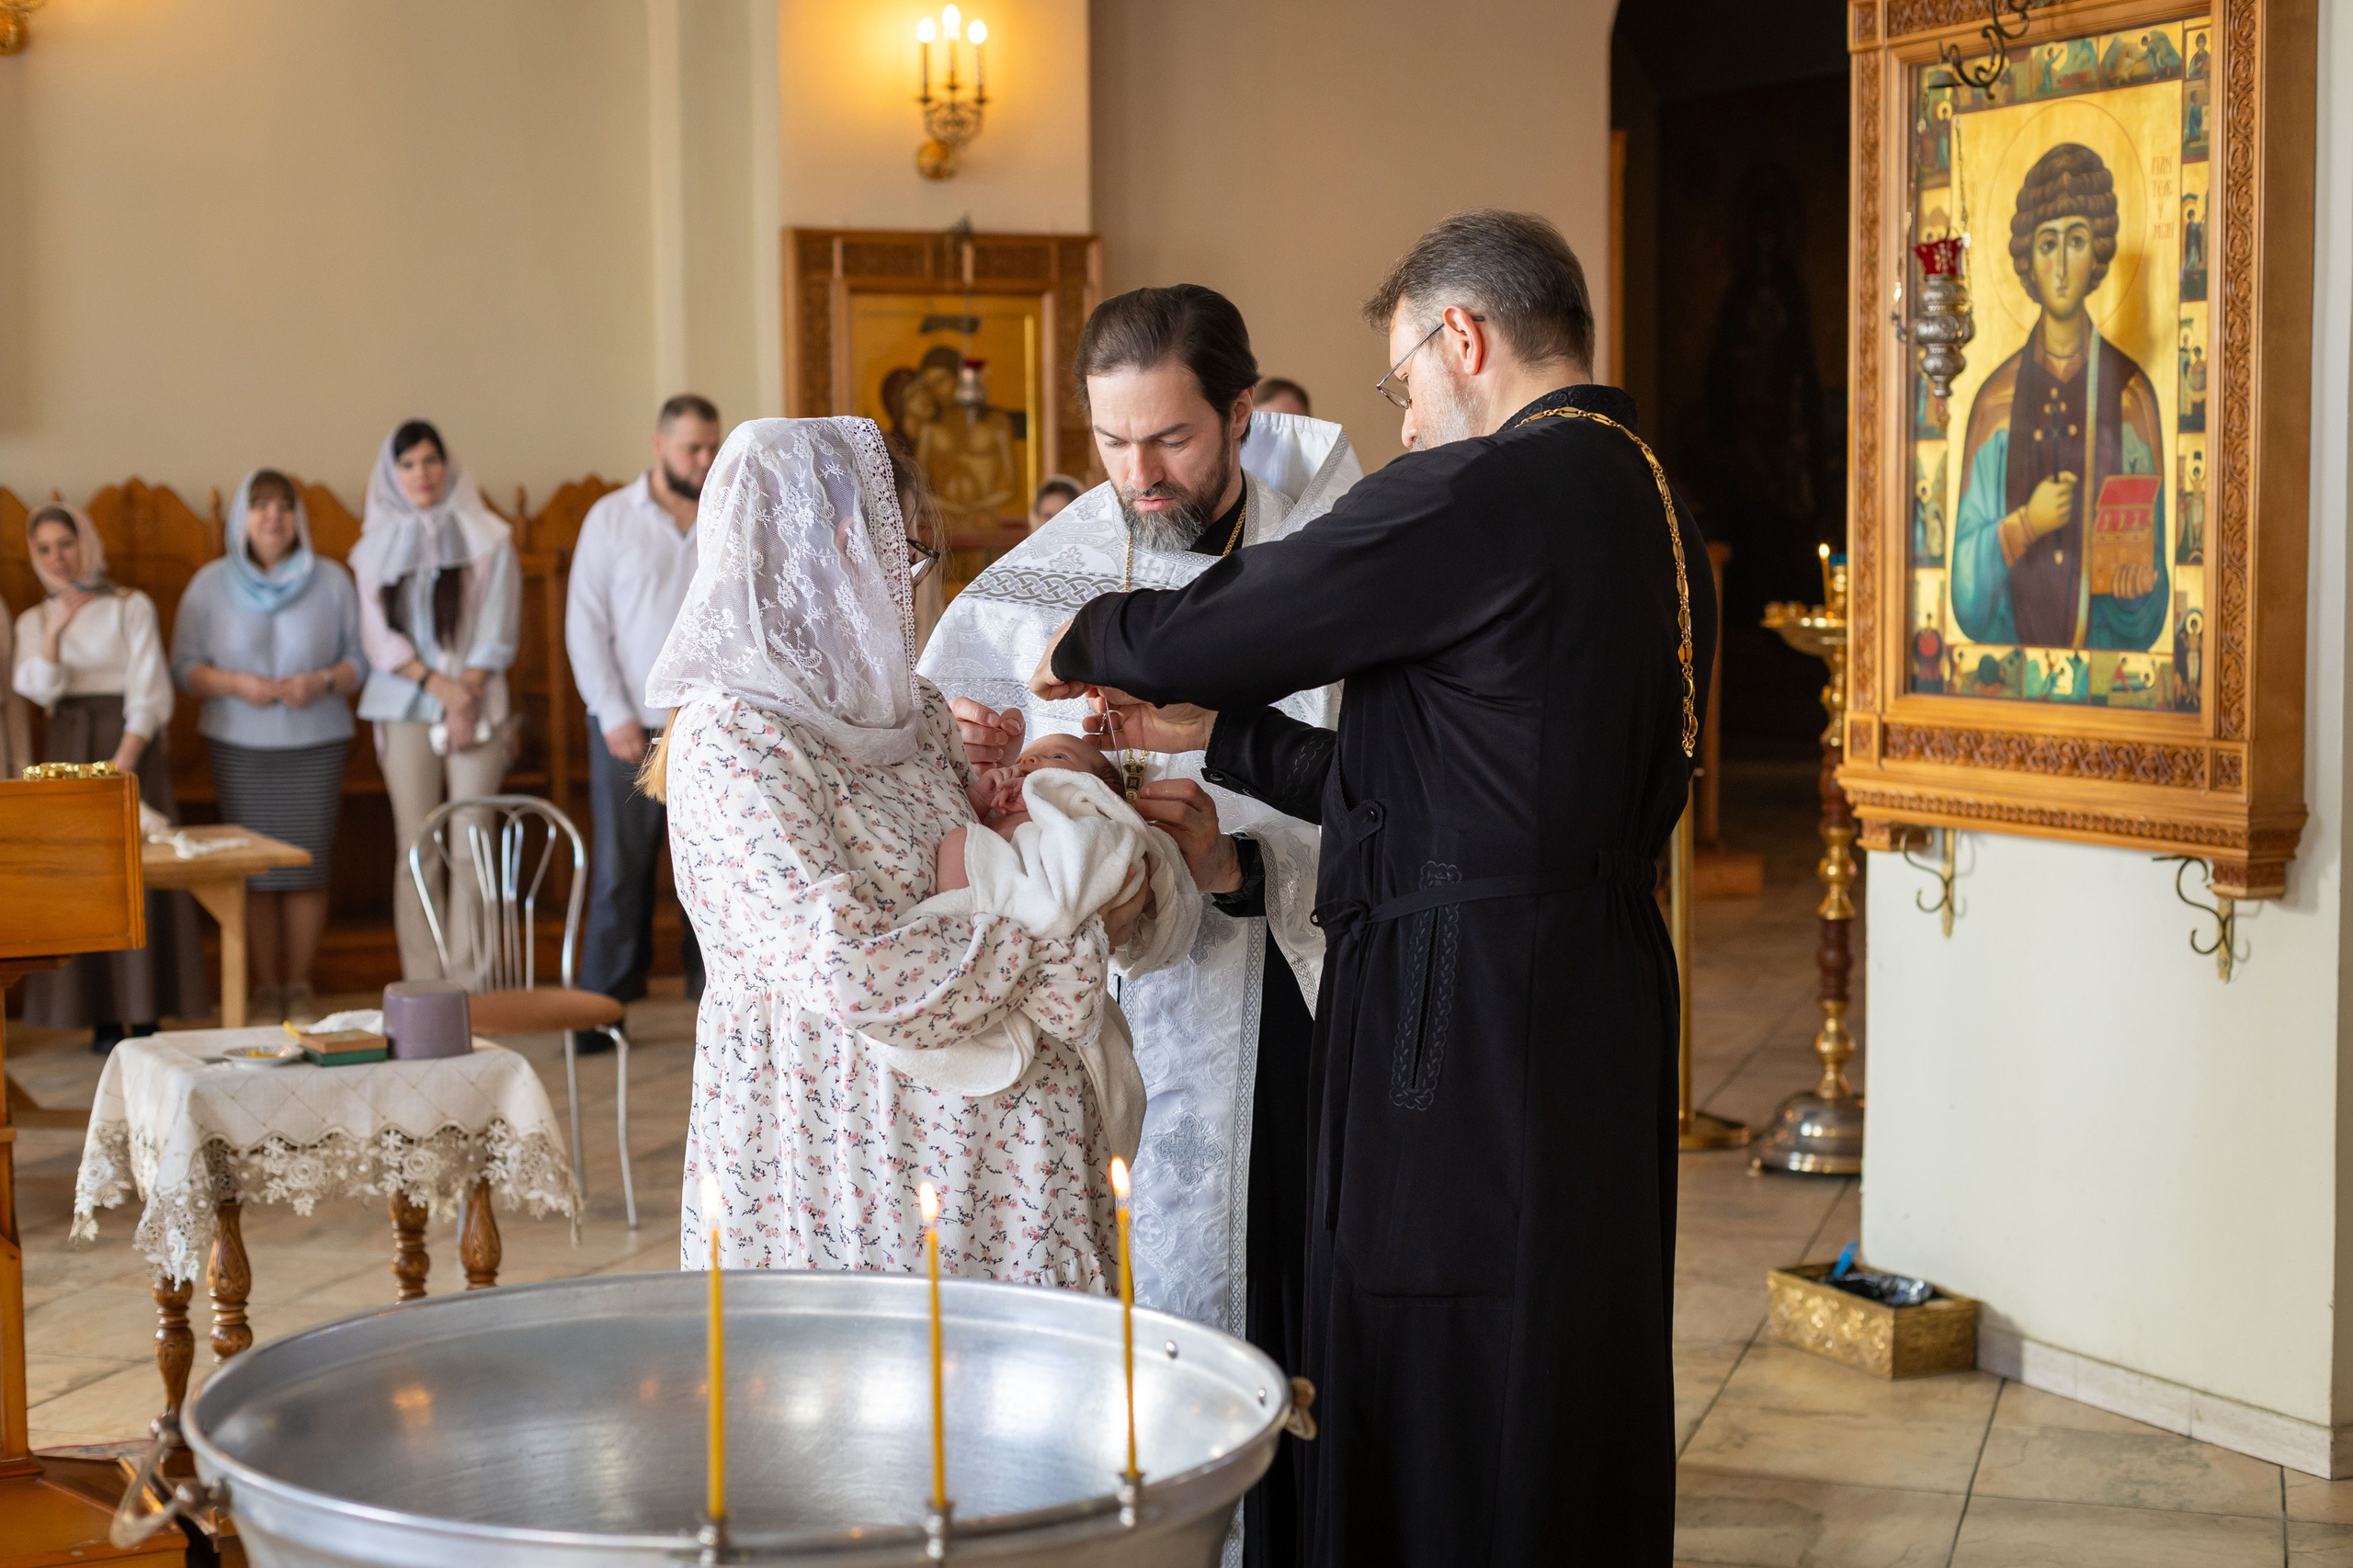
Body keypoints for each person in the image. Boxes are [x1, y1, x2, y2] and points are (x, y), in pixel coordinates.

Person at [1029, 210, 1717, 1566]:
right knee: (1569, 1336)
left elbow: (1264, 605)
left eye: (1404, 380)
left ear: (1464, 336)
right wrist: (1224, 739)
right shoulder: (1650, 498)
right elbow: (1460, 784)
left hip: (1467, 1005)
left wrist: (1090, 630)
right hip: (1595, 967)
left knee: (1442, 1337)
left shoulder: (1492, 485)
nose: (1403, 421)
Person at [921, 283, 1359, 1568]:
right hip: (1109, 1014)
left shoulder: (1325, 562)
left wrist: (1234, 860)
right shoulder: (1064, 555)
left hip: (1275, 996)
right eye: (1112, 440)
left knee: (1273, 1301)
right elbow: (944, 749)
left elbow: (1382, 795)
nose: (1138, 475)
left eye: (1168, 437)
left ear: (1239, 412)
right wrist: (993, 756)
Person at [642, 415, 1144, 1287]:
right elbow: (846, 969)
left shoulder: (911, 707)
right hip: (849, 1145)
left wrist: (1023, 811)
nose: (911, 582)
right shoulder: (734, 737)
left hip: (999, 1162)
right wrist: (1053, 947)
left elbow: (968, 865)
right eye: (901, 550)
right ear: (827, 550)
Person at [1950, 142, 2166, 652]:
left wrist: (2135, 592)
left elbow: (2153, 601)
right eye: (2048, 244)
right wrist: (2026, 524)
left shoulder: (2131, 395)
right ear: (2029, 258)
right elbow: (1964, 592)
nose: (2063, 266)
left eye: (2077, 241)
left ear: (2098, 252)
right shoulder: (1996, 402)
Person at [171, 470, 366, 1025]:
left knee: (306, 866)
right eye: (260, 505)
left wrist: (320, 682)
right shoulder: (209, 584)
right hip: (240, 745)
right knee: (255, 870)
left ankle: (298, 986)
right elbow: (184, 667)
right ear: (242, 516)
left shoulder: (332, 580)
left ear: (298, 517)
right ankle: (263, 987)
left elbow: (361, 660)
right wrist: (237, 684)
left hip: (316, 742)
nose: (273, 516)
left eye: (284, 505)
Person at [13, 505, 207, 1051]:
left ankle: (144, 1016)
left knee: (138, 874)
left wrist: (121, 765)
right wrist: (55, 629)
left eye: (66, 543)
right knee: (81, 879)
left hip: (128, 747)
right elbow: (38, 689)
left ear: (86, 543)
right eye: (45, 549)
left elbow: (151, 691)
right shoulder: (32, 621)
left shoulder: (129, 605)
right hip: (66, 749)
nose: (58, 557)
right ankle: (97, 1015)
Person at [563, 393, 722, 1052]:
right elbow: (585, 625)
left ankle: (716, 1015)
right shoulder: (610, 519)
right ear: (659, 446)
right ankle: (599, 1017)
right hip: (629, 726)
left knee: (713, 872)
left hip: (710, 726)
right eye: (692, 448)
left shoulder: (726, 510)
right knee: (619, 874)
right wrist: (614, 715)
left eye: (712, 446)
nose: (705, 460)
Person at [351, 420, 522, 984]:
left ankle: (473, 982)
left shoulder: (489, 537)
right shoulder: (373, 549)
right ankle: (425, 983)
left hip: (478, 702)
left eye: (430, 460)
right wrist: (437, 687)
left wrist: (463, 694)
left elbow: (497, 628)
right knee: (417, 843)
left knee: (473, 839)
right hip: (404, 704)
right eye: (407, 464)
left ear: (447, 466)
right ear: (391, 474)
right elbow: (378, 638)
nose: (421, 473)